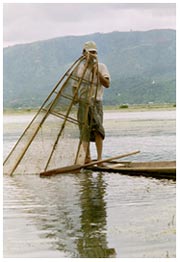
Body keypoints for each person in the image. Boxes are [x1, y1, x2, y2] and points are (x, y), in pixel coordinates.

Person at [72, 41, 110, 165]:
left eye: (94, 53)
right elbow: (74, 86)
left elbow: (107, 84)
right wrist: (75, 97)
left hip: (96, 102)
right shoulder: (80, 68)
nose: (93, 55)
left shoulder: (102, 67)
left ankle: (99, 159)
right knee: (84, 130)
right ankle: (87, 157)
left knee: (98, 129)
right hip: (83, 103)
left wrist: (97, 72)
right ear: (84, 54)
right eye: (90, 53)